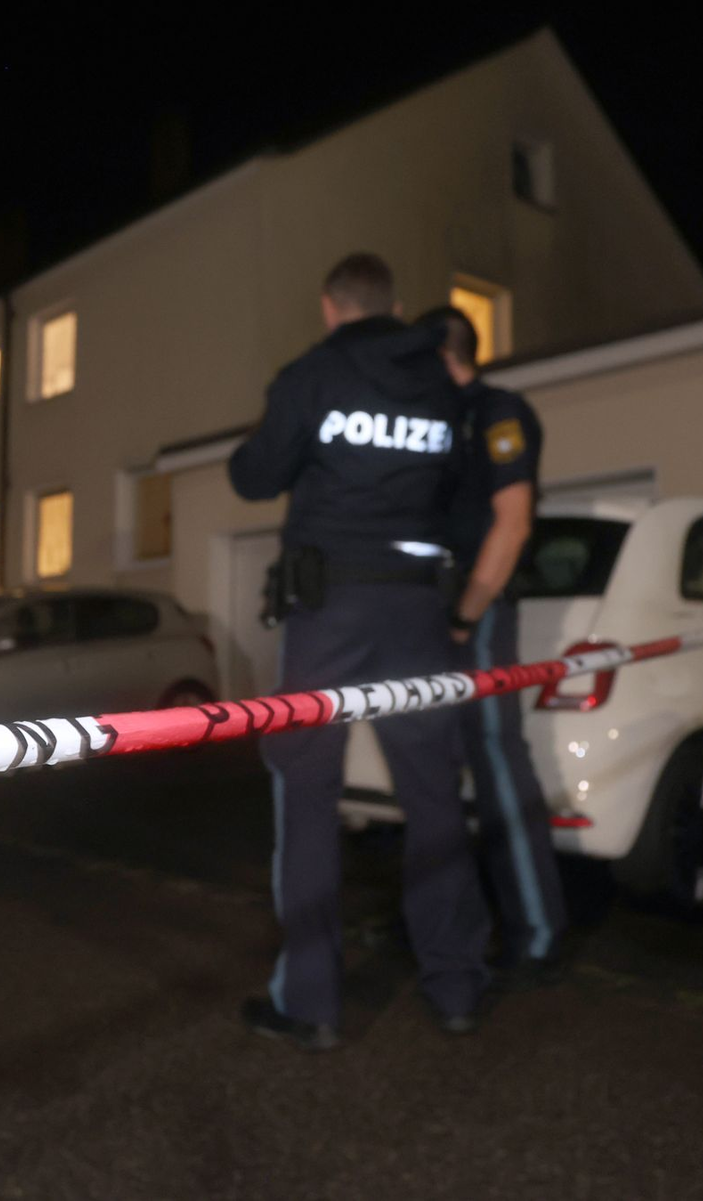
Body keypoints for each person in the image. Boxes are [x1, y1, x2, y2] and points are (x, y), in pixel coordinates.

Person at [228, 253, 490, 1049]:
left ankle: (310, 1004)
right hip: (414, 605)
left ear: (329, 305)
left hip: (329, 605)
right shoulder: (442, 387)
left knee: (306, 794)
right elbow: (460, 493)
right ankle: (456, 989)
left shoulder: (314, 373)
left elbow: (253, 474)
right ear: (396, 304)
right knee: (434, 795)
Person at [419, 305, 567, 986]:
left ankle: (537, 932)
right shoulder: (440, 422)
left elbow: (510, 526)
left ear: (443, 353)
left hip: (474, 611)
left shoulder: (497, 410)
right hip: (436, 609)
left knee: (498, 761)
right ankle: (468, 929)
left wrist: (462, 615)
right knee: (443, 771)